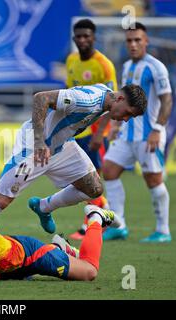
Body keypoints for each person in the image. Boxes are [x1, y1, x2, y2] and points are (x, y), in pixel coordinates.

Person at [0, 83, 147, 235]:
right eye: (128, 114)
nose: (125, 119)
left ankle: (43, 207)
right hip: (35, 147)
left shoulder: (106, 95)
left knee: (94, 188)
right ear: (121, 98)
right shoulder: (85, 100)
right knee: (1, 200)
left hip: (61, 146)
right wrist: (39, 142)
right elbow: (41, 98)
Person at [102, 22, 173, 243]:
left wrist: (158, 130)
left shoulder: (156, 67)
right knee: (109, 170)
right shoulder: (126, 67)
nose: (133, 44)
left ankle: (163, 231)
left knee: (153, 180)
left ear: (146, 41)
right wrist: (115, 126)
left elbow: (167, 100)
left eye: (137, 40)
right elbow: (124, 101)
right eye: (129, 41)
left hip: (148, 135)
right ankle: (119, 225)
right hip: (127, 134)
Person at [65, 19, 118, 241]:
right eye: (79, 36)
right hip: (78, 131)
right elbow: (69, 96)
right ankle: (108, 216)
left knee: (92, 180)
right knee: (81, 180)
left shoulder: (104, 65)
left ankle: (93, 224)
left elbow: (114, 103)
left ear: (94, 38)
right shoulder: (71, 60)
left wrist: (100, 133)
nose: (83, 40)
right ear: (74, 38)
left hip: (96, 133)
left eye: (87, 36)